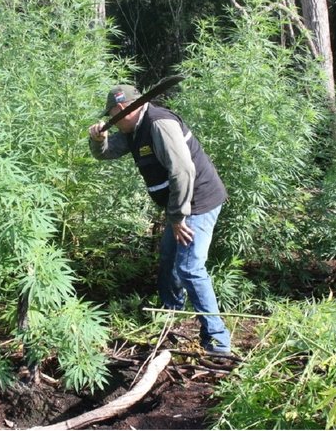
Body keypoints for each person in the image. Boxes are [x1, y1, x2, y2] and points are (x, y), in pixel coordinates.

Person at [88, 84, 231, 354]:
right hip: (180, 206)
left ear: (121, 110)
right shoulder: (133, 129)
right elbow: (107, 152)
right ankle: (171, 315)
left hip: (197, 202)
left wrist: (177, 217)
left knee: (189, 267)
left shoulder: (158, 123)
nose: (112, 121)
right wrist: (97, 140)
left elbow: (183, 171)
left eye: (112, 115)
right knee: (168, 255)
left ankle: (218, 341)